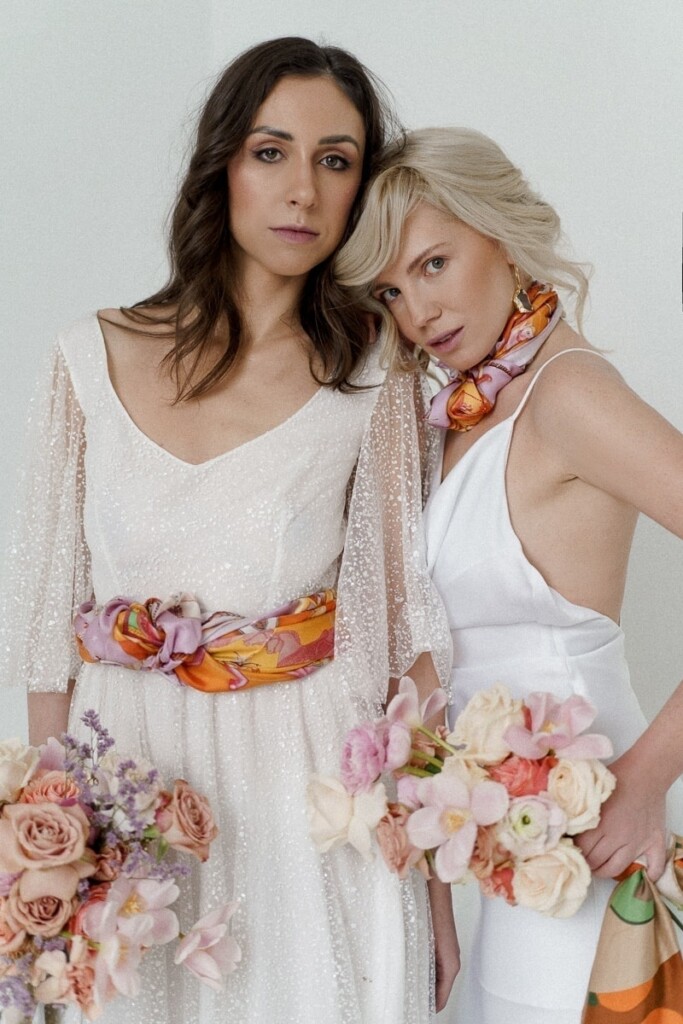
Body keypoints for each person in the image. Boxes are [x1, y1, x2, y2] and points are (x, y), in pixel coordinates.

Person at [0, 42, 460, 1023]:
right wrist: (54, 847)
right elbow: (45, 643)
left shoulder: (374, 376)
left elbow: (401, 633)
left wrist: (432, 885)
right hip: (128, 782)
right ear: (222, 164)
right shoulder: (86, 358)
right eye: (271, 151)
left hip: (305, 795)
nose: (302, 190)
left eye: (335, 160)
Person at [334, 125, 683, 1023]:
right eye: (391, 289)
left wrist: (647, 782)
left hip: (588, 843)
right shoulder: (463, 410)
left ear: (500, 234)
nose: (417, 312)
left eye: (434, 264)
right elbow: (427, 666)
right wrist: (434, 897)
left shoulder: (567, 393)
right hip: (501, 865)